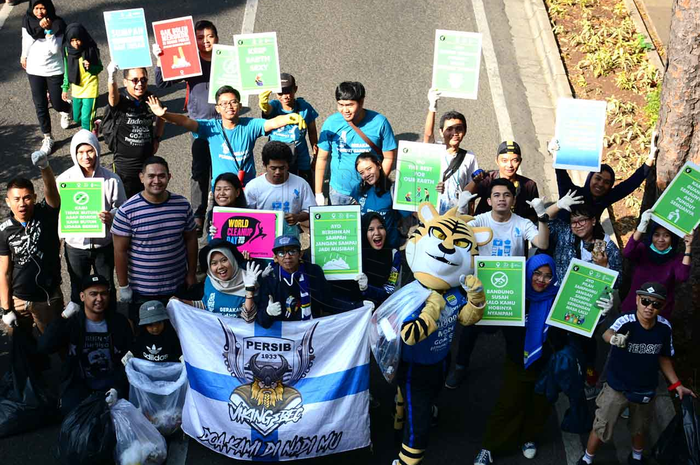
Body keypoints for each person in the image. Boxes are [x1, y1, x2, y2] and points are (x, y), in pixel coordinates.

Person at [577, 282, 696, 465]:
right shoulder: (626, 320)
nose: (649, 307)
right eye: (645, 301)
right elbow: (607, 333)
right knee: (602, 425)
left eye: (655, 304)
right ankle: (587, 458)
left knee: (640, 428)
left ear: (662, 306)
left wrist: (676, 385)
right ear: (637, 300)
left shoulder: (664, 328)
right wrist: (614, 339)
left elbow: (664, 358)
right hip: (617, 386)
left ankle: (636, 458)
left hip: (645, 388)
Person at [445, 179, 549, 388]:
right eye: (497, 195)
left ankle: (519, 371)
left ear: (513, 200)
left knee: (515, 335)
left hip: (511, 292)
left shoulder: (522, 223)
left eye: (506, 195)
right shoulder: (480, 221)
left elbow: (542, 243)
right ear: (489, 200)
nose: (502, 199)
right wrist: (461, 207)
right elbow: (455, 233)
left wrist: (542, 216)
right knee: (469, 330)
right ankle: (460, 366)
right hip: (482, 288)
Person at [473, 255, 566, 464]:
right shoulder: (514, 295)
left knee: (540, 406)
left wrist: (599, 312)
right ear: (527, 272)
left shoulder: (558, 298)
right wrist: (480, 304)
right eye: (537, 273)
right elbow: (489, 329)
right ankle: (489, 446)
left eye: (548, 276)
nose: (541, 280)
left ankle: (529, 438)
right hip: (518, 362)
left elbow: (577, 325)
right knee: (508, 405)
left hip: (548, 365)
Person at [145, 86, 306, 188]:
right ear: (217, 108)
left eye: (233, 102)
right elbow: (185, 121)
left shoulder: (250, 125)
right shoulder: (210, 128)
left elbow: (271, 123)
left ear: (240, 105)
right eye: (224, 103)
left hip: (247, 189)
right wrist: (164, 114)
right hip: (222, 192)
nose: (229, 106)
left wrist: (290, 118)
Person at [546, 196, 622, 397]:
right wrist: (556, 206)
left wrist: (605, 268)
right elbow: (544, 223)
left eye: (582, 220)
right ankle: (563, 372)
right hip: (561, 302)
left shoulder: (607, 246)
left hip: (589, 306)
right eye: (573, 221)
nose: (577, 225)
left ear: (594, 221)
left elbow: (619, 280)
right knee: (557, 339)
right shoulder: (564, 234)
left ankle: (589, 377)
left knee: (586, 344)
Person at [111, 157, 198, 324]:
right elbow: (119, 251)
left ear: (169, 177)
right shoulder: (126, 211)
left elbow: (191, 240)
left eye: (161, 176)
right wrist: (124, 287)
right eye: (151, 176)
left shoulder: (182, 205)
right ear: (141, 177)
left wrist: (191, 274)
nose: (156, 181)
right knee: (145, 338)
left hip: (177, 286)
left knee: (178, 333)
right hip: (142, 292)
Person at [153, 20, 219, 234]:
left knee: (222, 170)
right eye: (200, 37)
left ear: (217, 38)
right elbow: (163, 83)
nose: (205, 41)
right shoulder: (191, 61)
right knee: (199, 170)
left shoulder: (226, 60)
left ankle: (221, 212)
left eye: (209, 36)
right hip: (198, 124)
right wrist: (160, 58)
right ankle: (198, 214)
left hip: (225, 124)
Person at [36, 274, 133, 416]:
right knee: (72, 415)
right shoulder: (73, 323)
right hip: (80, 384)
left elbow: (129, 358)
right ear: (82, 297)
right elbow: (44, 347)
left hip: (111, 382)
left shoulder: (119, 322)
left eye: (103, 294)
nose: (99, 299)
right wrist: (63, 317)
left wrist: (117, 387)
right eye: (93, 294)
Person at [56, 130, 126, 310]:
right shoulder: (64, 180)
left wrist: (112, 215)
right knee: (77, 290)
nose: (85, 156)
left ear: (97, 150)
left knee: (107, 288)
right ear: (74, 153)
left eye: (90, 151)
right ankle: (79, 329)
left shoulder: (112, 179)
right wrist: (59, 240)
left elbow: (123, 210)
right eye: (80, 152)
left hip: (104, 245)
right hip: (76, 247)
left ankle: (110, 324)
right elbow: (59, 213)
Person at [0, 151, 63, 337]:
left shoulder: (46, 214)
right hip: (18, 300)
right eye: (16, 199)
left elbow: (51, 190)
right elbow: (4, 271)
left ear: (35, 198)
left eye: (27, 198)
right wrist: (6, 308)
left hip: (47, 298)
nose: (22, 203)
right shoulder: (4, 229)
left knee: (57, 344)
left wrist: (45, 167)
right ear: (8, 202)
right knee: (22, 351)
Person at [315, 81, 397, 206]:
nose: (345, 110)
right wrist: (318, 193)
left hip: (369, 192)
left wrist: (377, 185)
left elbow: (389, 157)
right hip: (339, 193)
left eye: (349, 105)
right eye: (340, 105)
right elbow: (322, 158)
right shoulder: (331, 123)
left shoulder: (380, 122)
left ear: (361, 102)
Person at [256, 236, 355, 327]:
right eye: (281, 253)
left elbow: (328, 302)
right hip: (283, 335)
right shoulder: (270, 278)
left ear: (300, 254)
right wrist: (268, 313)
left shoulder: (313, 272)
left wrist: (358, 307)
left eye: (292, 251)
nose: (287, 256)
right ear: (275, 258)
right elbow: (263, 322)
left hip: (310, 329)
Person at [549, 137, 657, 219]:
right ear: (590, 178)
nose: (600, 184)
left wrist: (651, 156)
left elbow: (631, 183)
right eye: (598, 178)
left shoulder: (604, 199)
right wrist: (556, 154)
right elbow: (561, 173)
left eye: (606, 182)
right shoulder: (571, 193)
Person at [105, 63, 165, 199]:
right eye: (135, 80)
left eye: (143, 80)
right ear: (125, 82)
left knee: (148, 200)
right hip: (124, 165)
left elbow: (162, 115)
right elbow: (112, 97)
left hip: (146, 163)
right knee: (126, 202)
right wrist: (111, 77)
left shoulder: (151, 98)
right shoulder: (121, 100)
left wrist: (157, 138)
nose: (140, 84)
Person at [620, 209, 692, 320]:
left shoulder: (676, 259)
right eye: (656, 235)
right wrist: (641, 227)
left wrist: (688, 247)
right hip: (632, 310)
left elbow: (682, 276)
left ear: (672, 239)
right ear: (651, 236)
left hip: (658, 315)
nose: (661, 240)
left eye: (666, 236)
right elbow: (627, 252)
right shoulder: (643, 250)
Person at [21, 0, 71, 154]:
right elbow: (26, 40)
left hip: (54, 70)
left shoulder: (58, 24)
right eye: (36, 8)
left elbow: (55, 50)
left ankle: (66, 108)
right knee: (40, 104)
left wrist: (49, 31)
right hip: (34, 70)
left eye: (42, 8)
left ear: (48, 8)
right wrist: (23, 56)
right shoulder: (27, 21)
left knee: (57, 103)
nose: (39, 12)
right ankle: (48, 137)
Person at [244, 141, 316, 238]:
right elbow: (244, 215)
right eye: (273, 168)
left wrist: (297, 217)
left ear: (288, 165)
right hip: (261, 239)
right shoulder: (253, 187)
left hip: (290, 240)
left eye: (282, 168)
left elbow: (311, 211)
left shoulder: (301, 184)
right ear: (264, 165)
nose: (278, 172)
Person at [424, 90, 479, 215]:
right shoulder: (434, 149)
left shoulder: (469, 157)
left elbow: (470, 191)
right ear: (441, 132)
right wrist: (432, 106)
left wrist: (471, 217)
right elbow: (428, 135)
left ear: (464, 131)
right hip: (434, 215)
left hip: (458, 216)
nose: (454, 133)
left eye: (459, 129)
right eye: (449, 129)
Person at [176, 239, 261, 321]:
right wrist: (182, 302)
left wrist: (249, 291)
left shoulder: (249, 280)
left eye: (224, 260)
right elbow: (205, 306)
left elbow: (249, 318)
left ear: (232, 260)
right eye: (214, 263)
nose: (220, 266)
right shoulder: (210, 281)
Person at [259, 73, 319, 184]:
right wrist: (264, 105)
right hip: (277, 157)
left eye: (288, 91)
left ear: (295, 89)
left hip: (301, 157)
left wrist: (316, 156)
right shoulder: (274, 106)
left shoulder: (304, 108)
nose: (285, 96)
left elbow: (312, 132)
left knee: (304, 187)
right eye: (280, 93)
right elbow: (268, 110)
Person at [466, 140, 540, 221]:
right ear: (497, 161)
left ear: (520, 161)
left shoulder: (529, 186)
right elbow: (465, 196)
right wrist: (475, 182)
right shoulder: (487, 179)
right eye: (504, 160)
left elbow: (533, 215)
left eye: (515, 160)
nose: (509, 165)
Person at [350, 152, 410, 248]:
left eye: (369, 168)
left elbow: (416, 213)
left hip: (389, 247)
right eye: (361, 173)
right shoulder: (358, 189)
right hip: (366, 247)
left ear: (378, 165)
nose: (366, 174)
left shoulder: (395, 190)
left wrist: (437, 190)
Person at [61, 23, 102, 132]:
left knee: (86, 119)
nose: (75, 44)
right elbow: (66, 70)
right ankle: (95, 125)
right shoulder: (67, 51)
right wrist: (65, 88)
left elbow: (99, 68)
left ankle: (88, 139)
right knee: (77, 118)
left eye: (78, 40)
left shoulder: (91, 50)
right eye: (72, 40)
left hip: (90, 88)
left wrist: (91, 67)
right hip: (77, 88)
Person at [357, 212, 402, 306]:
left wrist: (367, 288)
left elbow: (390, 291)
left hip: (384, 310)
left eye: (381, 228)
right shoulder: (356, 257)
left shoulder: (394, 255)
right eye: (371, 229)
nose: (377, 233)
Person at [205, 172, 247, 240]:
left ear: (237, 192)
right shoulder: (211, 214)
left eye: (226, 189)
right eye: (218, 189)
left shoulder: (247, 215)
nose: (221, 193)